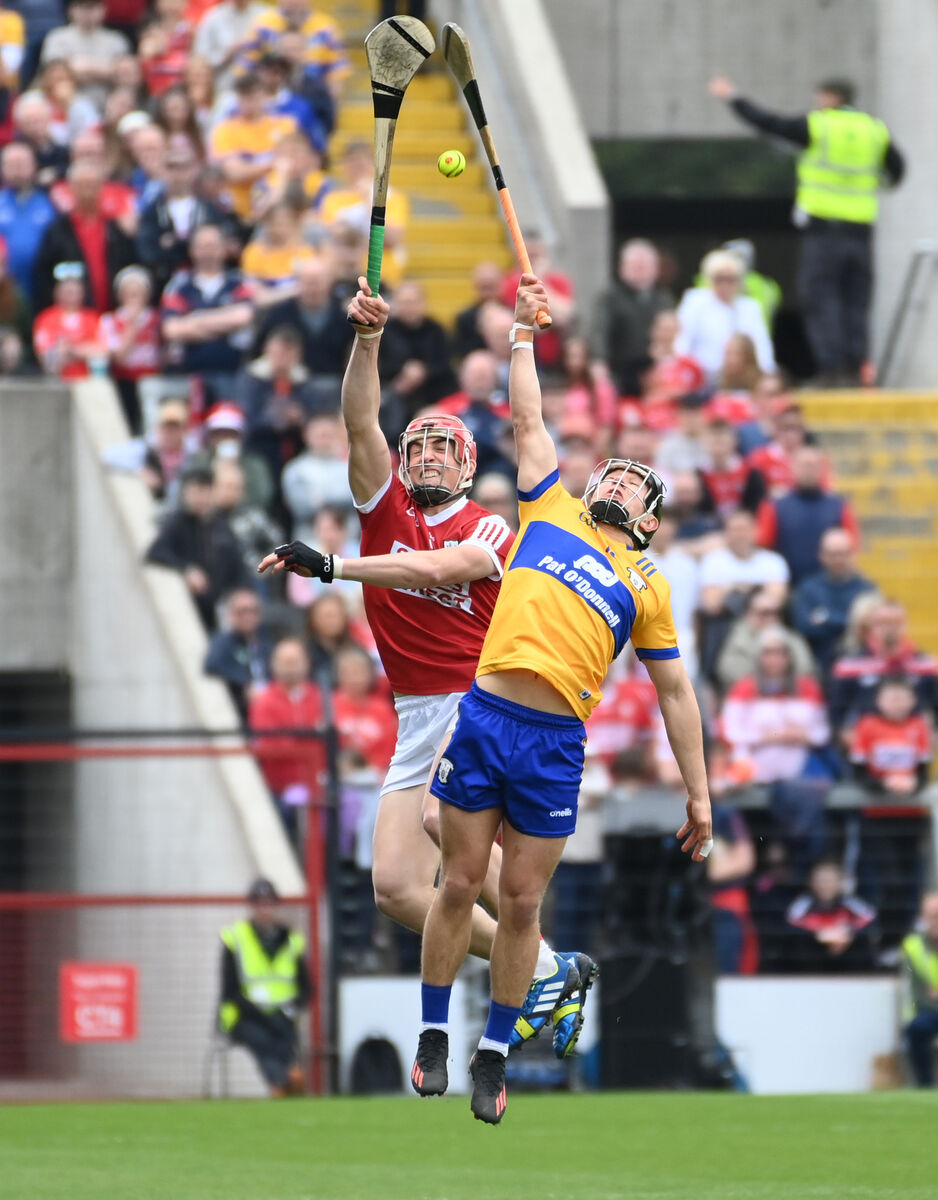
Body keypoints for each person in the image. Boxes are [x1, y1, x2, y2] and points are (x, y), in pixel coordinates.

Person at [258, 276, 594, 1088]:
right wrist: (367, 340)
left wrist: (335, 566)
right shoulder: (383, 508)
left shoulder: (487, 524)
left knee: (457, 845)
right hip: (415, 715)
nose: (429, 455)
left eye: (445, 446)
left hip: (476, 708)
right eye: (419, 447)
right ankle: (550, 966)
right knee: (396, 889)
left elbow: (439, 568)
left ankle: (516, 980)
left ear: (469, 461)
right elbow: (357, 419)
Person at [406, 274, 712, 1123]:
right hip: (490, 715)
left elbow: (676, 693)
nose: (617, 482)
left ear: (649, 518)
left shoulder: (646, 584)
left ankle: (495, 1054)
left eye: (634, 484)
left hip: (554, 739)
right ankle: (434, 1031)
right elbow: (529, 421)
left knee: (524, 903)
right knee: (458, 880)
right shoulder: (551, 510)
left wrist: (699, 790)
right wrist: (522, 336)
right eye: (614, 472)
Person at [709, 74, 904, 385]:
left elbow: (770, 123)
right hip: (860, 232)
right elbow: (896, 173)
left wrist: (734, 98)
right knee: (855, 303)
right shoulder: (874, 130)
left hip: (824, 230)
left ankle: (832, 371)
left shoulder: (820, 125)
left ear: (831, 97)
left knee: (821, 300)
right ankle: (857, 371)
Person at [218, 877, 311, 1096]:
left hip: (282, 1014)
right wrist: (262, 1014)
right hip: (244, 1016)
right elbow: (229, 990)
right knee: (262, 1037)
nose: (265, 911)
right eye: (260, 905)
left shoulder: (291, 940)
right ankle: (283, 1082)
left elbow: (306, 987)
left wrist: (292, 1008)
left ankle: (283, 1083)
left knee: (283, 1032)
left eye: (269, 904)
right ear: (252, 907)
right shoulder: (236, 938)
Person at [145, 463, 248, 631]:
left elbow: (236, 564)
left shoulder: (221, 525)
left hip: (218, 605)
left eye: (205, 491)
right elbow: (156, 551)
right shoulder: (178, 523)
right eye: (196, 491)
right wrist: (186, 569)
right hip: (190, 605)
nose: (201, 498)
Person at [248, 636, 325, 838]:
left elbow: (334, 740)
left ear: (307, 663)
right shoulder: (264, 701)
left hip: (320, 781)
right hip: (281, 788)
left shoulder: (321, 697)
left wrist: (297, 740)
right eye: (285, 662)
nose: (290, 667)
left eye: (295, 661)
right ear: (273, 665)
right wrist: (309, 739)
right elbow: (270, 747)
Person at [755, 444, 859, 586]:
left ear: (822, 469)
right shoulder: (774, 505)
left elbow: (851, 547)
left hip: (829, 588)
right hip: (786, 586)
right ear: (792, 467)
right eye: (804, 465)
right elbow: (763, 548)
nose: (808, 470)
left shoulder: (839, 505)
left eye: (813, 465)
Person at [676, 249, 775, 382]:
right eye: (719, 279)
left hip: (740, 378)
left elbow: (762, 345)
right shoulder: (695, 301)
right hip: (702, 376)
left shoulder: (750, 307)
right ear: (709, 278)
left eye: (731, 279)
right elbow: (682, 341)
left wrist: (767, 375)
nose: (725, 285)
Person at [591, 237, 674, 396]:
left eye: (644, 267)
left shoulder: (664, 298)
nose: (640, 271)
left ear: (655, 269)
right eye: (635, 267)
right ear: (622, 268)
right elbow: (599, 330)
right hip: (621, 370)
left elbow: (674, 331)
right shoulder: (610, 297)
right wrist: (599, 360)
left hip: (654, 371)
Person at [792, 527, 877, 674]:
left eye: (842, 554)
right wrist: (850, 622)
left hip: (859, 663)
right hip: (817, 661)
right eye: (832, 554)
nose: (838, 560)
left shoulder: (866, 589)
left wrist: (825, 618)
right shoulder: (808, 588)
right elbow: (804, 626)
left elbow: (871, 628)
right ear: (821, 555)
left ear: (852, 554)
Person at [785, 858, 876, 972]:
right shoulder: (805, 902)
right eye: (821, 880)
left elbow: (869, 918)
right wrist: (819, 934)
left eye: (830, 880)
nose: (826, 885)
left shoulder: (849, 901)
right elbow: (791, 922)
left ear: (840, 882)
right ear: (811, 882)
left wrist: (847, 934)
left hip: (846, 953)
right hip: (814, 955)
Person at [850, 677, 933, 798]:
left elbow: (924, 771)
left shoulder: (920, 725)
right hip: (874, 802)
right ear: (878, 700)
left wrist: (914, 783)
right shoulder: (866, 725)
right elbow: (858, 772)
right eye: (892, 699)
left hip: (913, 802)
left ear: (913, 700)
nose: (898, 704)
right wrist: (883, 783)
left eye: (903, 699)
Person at [204, 586, 273, 723]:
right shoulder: (222, 642)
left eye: (253, 611)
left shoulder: (266, 646)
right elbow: (212, 666)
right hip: (237, 711)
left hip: (268, 710)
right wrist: (244, 684)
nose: (248, 616)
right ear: (230, 614)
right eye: (242, 611)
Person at [0, 141, 57, 306]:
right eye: (12, 165)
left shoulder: (50, 202)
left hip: (42, 289)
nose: (17, 170)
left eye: (22, 164)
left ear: (34, 166)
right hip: (5, 291)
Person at [32, 261, 101, 378]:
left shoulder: (93, 318)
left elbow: (103, 350)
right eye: (66, 291)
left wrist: (71, 350)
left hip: (89, 379)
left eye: (74, 291)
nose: (70, 296)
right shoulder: (45, 319)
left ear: (82, 292)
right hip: (58, 379)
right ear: (56, 292)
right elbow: (44, 355)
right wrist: (83, 351)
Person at [900, 892, 938, 1087]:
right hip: (929, 1011)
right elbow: (917, 993)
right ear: (923, 918)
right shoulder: (913, 946)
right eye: (933, 916)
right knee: (917, 1029)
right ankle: (925, 1085)